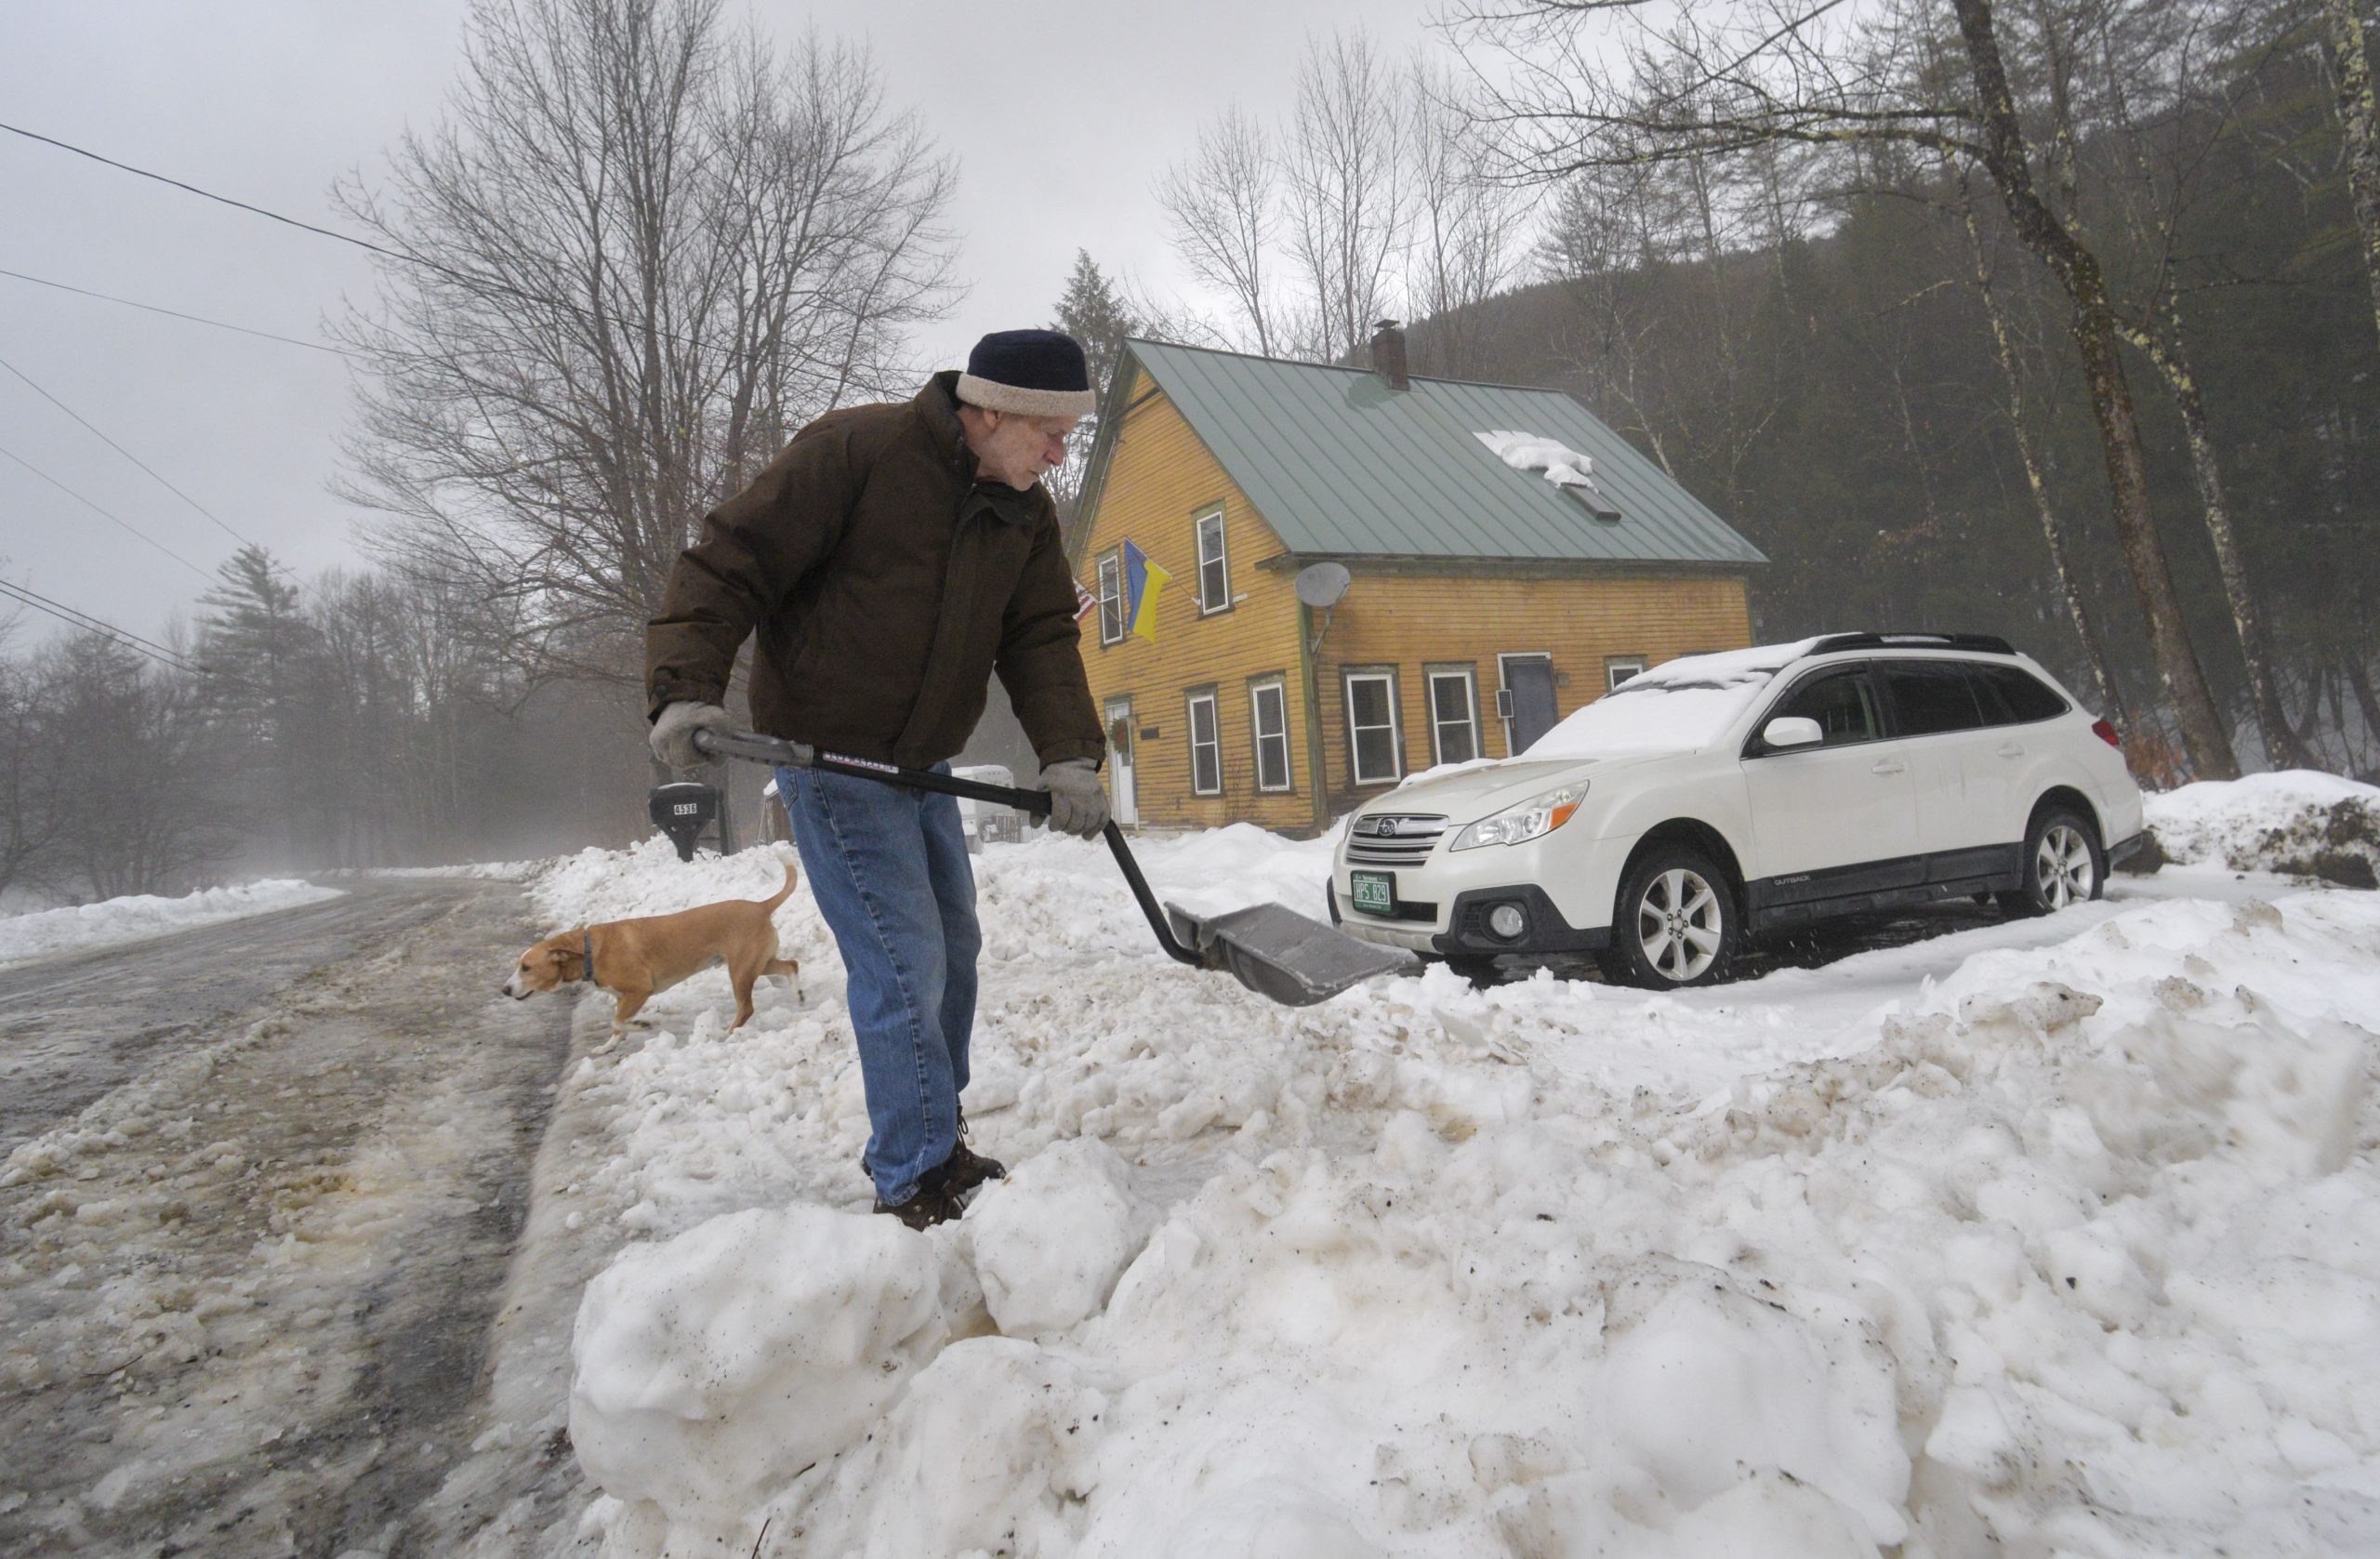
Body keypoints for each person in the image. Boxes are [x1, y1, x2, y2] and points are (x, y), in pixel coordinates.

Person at [643, 329, 1111, 1229]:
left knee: (955, 955)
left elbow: (1040, 634)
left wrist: (1068, 756)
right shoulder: (858, 453)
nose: (1059, 453)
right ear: (988, 412)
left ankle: (937, 1135)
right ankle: (912, 1177)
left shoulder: (1022, 508)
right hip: (832, 756)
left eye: (1068, 437)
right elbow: (726, 562)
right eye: (1049, 432)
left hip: (922, 763)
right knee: (905, 965)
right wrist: (684, 691)